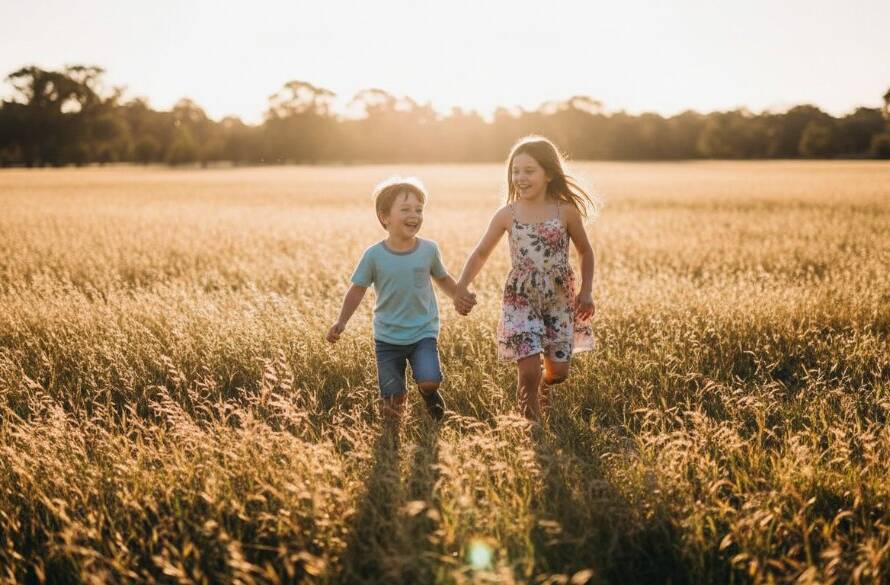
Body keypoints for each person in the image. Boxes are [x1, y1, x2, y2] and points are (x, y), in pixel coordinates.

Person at [455, 136, 597, 421]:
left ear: (549, 173)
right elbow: (481, 252)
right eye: (515, 171)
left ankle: (545, 390)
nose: (520, 177)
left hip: (559, 299)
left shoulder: (565, 211)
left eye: (529, 171)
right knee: (529, 370)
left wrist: (587, 291)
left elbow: (585, 251)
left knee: (557, 374)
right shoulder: (507, 214)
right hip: (520, 298)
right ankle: (530, 428)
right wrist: (462, 285)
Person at [327, 176, 476, 423]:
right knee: (392, 404)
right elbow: (357, 290)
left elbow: (443, 278)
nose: (414, 215)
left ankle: (428, 395)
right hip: (387, 337)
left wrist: (459, 296)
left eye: (419, 210)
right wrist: (341, 322)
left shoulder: (429, 250)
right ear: (384, 217)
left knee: (430, 381)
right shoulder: (374, 255)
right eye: (405, 209)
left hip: (423, 332)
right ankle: (392, 440)